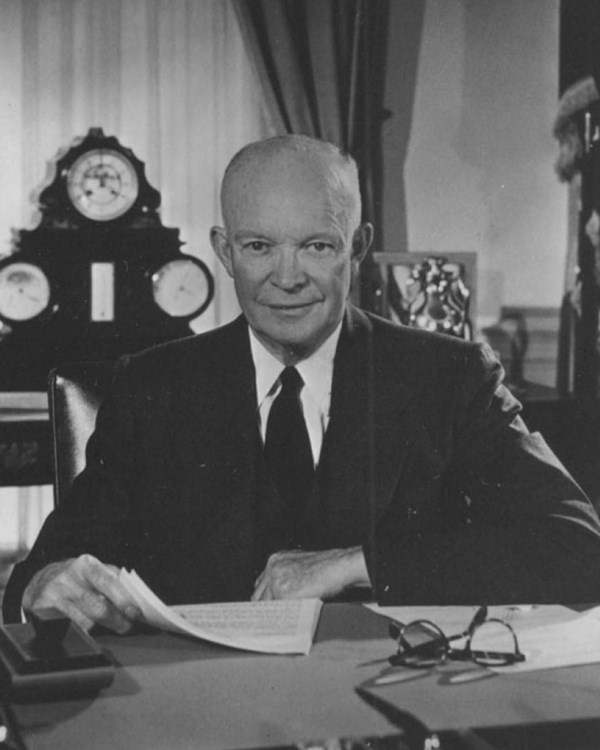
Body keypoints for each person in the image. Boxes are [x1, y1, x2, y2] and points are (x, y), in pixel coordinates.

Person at [5, 134, 600, 633]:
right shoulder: (152, 388)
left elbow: (578, 545)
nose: (286, 278)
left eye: (317, 246)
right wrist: (43, 587)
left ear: (357, 248)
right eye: (259, 246)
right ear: (224, 252)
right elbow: (41, 576)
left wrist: (361, 562)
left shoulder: (449, 376)